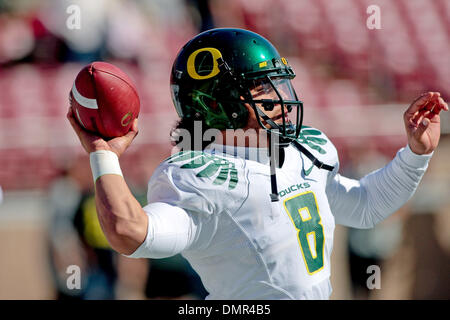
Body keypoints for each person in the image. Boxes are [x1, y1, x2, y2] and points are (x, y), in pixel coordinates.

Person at [67, 28, 448, 299]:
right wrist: (104, 155)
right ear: (221, 105)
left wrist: (416, 154)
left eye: (278, 86)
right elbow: (130, 232)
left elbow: (364, 206)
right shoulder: (197, 177)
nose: (282, 102)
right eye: (264, 90)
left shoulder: (304, 149)